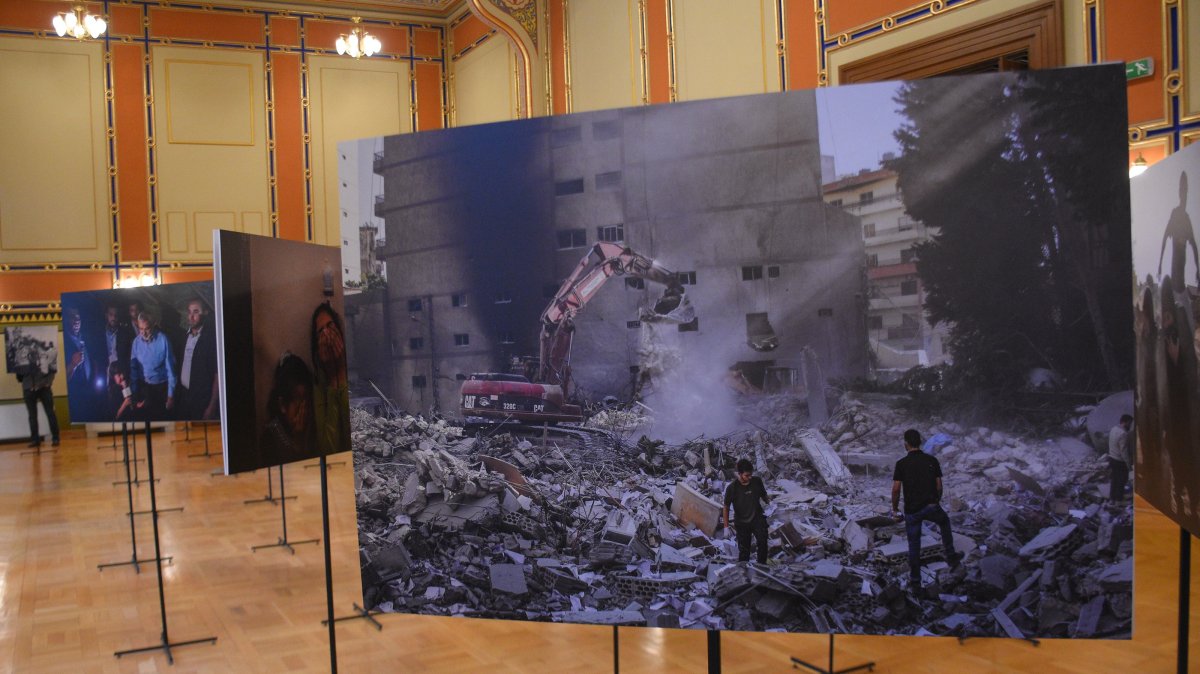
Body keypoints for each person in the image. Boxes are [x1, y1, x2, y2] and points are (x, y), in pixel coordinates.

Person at [891, 428, 961, 588]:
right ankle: (951, 555)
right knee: (944, 522)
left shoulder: (901, 464)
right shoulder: (932, 460)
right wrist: (936, 502)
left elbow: (896, 490)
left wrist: (895, 509)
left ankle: (915, 581)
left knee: (913, 545)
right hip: (930, 506)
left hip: (912, 511)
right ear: (920, 442)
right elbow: (939, 486)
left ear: (905, 444)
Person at [259, 352, 315, 465]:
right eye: (298, 400)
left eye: (307, 400)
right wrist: (298, 442)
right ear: (282, 405)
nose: (304, 410)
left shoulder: (313, 429)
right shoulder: (270, 439)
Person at [311, 303, 349, 455]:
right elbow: (329, 450)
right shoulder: (318, 385)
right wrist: (333, 380)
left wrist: (341, 372)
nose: (326, 334)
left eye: (330, 325)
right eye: (320, 331)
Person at [176, 298, 219, 420]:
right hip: (184, 397)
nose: (191, 316)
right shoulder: (184, 337)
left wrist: (211, 406)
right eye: (189, 312)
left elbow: (217, 374)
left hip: (201, 401)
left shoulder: (210, 339)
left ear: (204, 313)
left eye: (196, 312)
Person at [722, 458, 771, 564]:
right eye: (746, 475)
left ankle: (761, 567)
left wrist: (769, 504)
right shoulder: (732, 488)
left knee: (763, 543)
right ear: (739, 474)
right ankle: (744, 572)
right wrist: (726, 527)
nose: (749, 477)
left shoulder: (756, 481)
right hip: (741, 522)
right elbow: (726, 507)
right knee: (744, 551)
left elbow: (764, 496)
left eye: (750, 475)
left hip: (757, 518)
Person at [129, 311, 177, 418]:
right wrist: (134, 395)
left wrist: (170, 396)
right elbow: (134, 371)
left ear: (153, 325)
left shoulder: (163, 340)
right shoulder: (136, 343)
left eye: (147, 329)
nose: (143, 333)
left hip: (161, 388)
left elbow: (171, 370)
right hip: (145, 388)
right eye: (141, 329)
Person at [1158, 171, 1199, 293]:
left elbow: (1194, 246)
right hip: (1176, 262)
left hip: (1181, 262)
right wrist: (1160, 264)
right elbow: (1165, 237)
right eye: (1182, 190)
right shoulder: (1176, 214)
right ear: (1180, 192)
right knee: (1176, 288)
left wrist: (1198, 269)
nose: (1184, 194)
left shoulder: (1186, 218)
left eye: (1185, 190)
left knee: (1179, 288)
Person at [18, 342, 60, 447]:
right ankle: (35, 440)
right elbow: (19, 378)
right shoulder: (23, 361)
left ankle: (56, 438)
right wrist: (22, 370)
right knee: (32, 416)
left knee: (50, 413)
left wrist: (47, 383)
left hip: (44, 388)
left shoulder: (45, 358)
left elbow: (52, 371)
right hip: (29, 389)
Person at [63, 307, 92, 394]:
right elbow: (60, 380)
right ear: (66, 319)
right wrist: (72, 364)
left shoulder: (84, 337)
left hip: (89, 390)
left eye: (78, 317)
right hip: (75, 395)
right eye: (72, 317)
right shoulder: (63, 342)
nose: (76, 321)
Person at [1108, 414, 1133, 502]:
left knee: (1114, 479)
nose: (1130, 425)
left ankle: (1112, 497)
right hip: (1119, 461)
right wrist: (1129, 465)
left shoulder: (1113, 429)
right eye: (1130, 423)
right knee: (1122, 480)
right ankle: (1119, 499)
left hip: (1111, 458)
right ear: (1125, 422)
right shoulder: (1123, 434)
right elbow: (1124, 451)